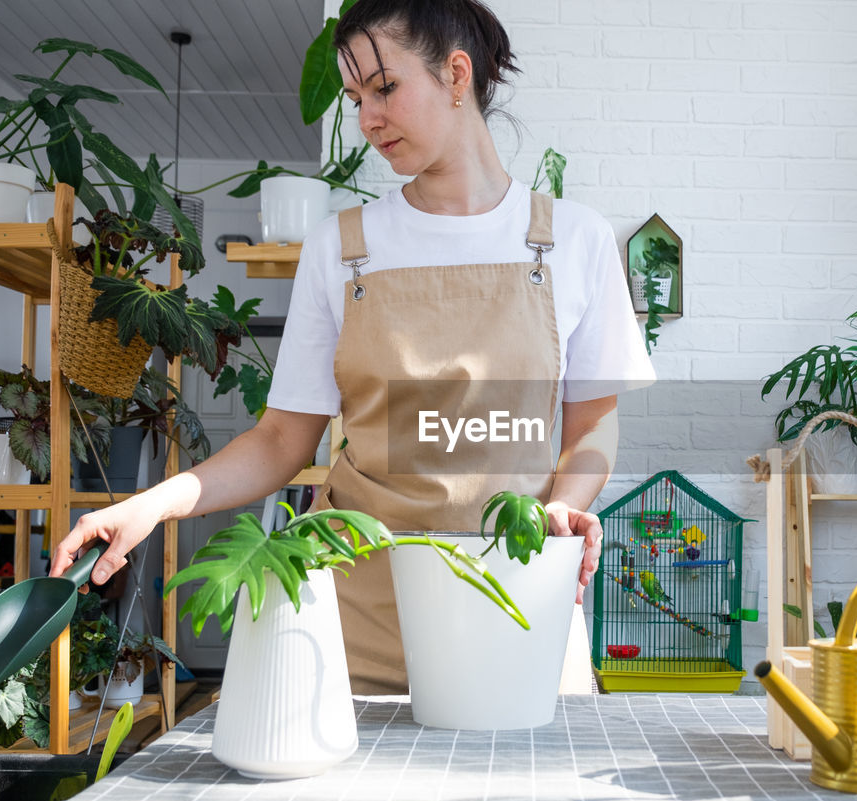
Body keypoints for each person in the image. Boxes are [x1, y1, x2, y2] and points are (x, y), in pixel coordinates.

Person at [51, 0, 655, 694]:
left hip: (521, 607)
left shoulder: (573, 241)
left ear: (457, 74)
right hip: (358, 621)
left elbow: (591, 427)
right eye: (355, 97)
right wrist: (151, 504)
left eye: (385, 87)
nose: (366, 119)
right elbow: (282, 440)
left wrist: (564, 503)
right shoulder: (342, 247)